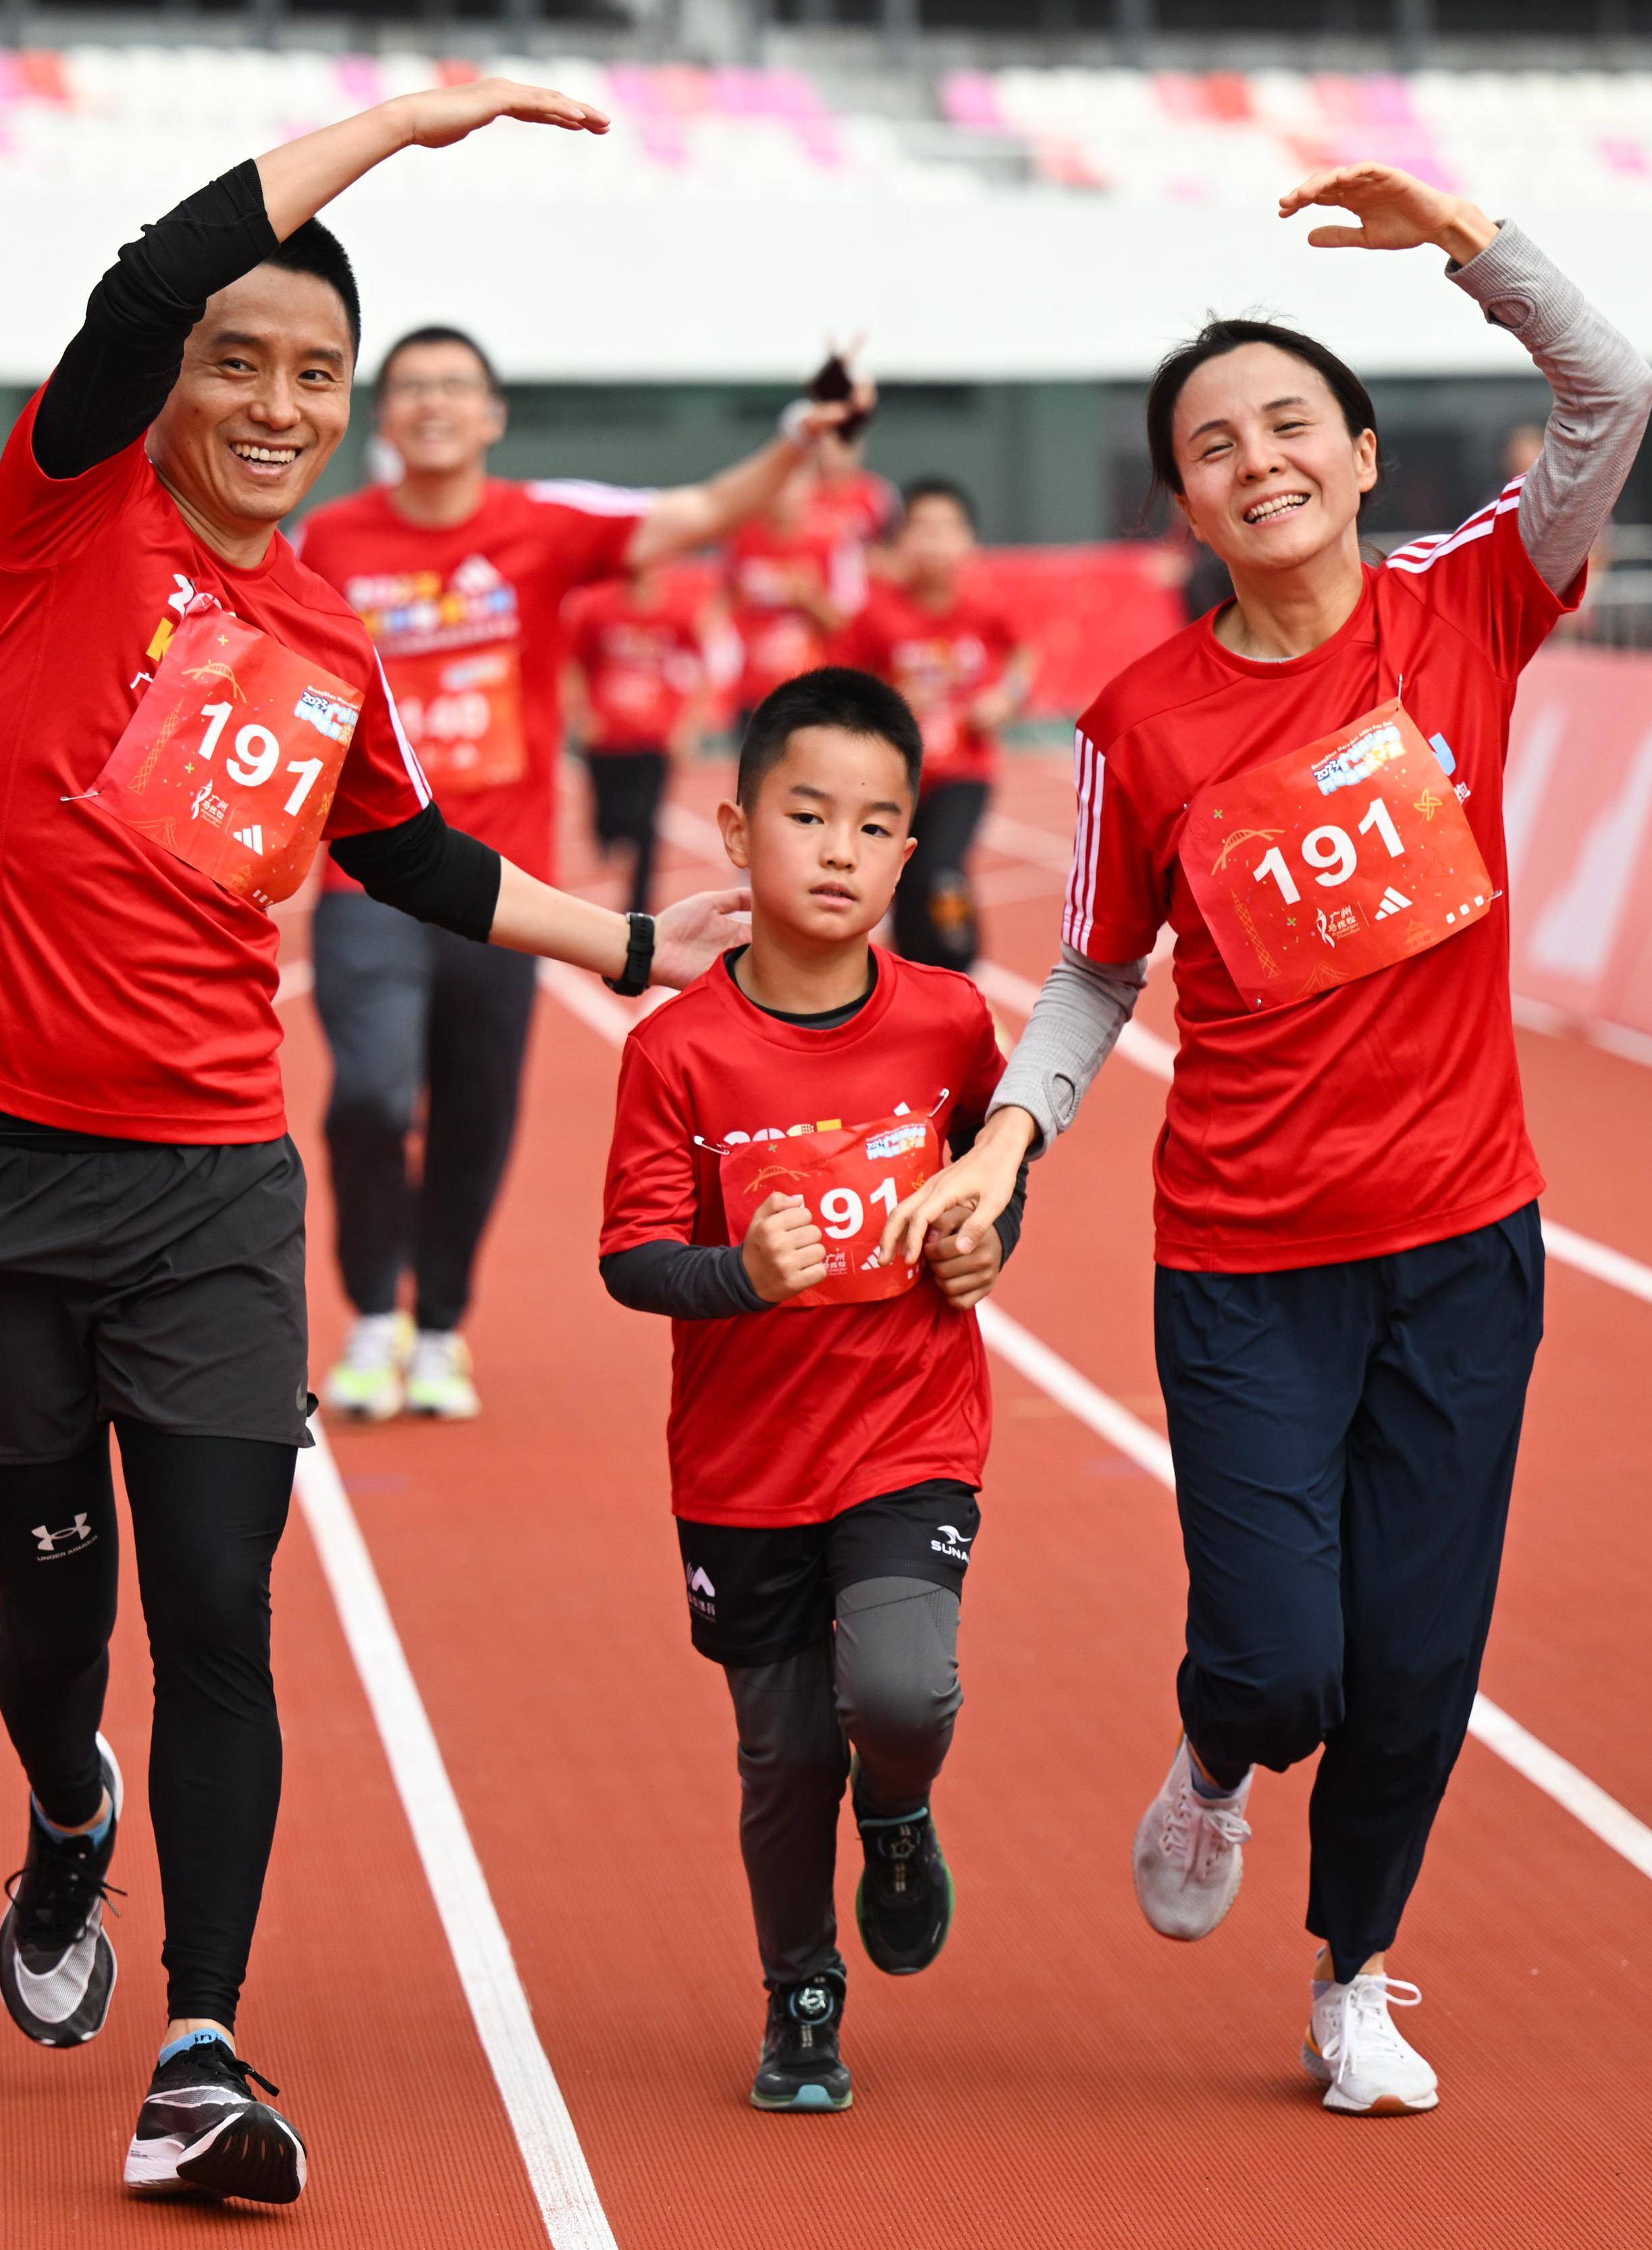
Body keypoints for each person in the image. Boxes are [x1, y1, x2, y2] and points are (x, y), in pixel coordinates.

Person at [0, 84, 745, 2206]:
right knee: (55, 1607)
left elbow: (409, 853)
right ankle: (68, 1815)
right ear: (168, 381)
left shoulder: (330, 636)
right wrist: (409, 125)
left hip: (210, 1188)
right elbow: (145, 274)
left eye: (312, 377)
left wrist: (627, 937)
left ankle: (198, 2040)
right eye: (236, 362)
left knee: (225, 1612)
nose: (275, 403)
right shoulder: (64, 513)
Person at [884, 161, 1652, 2118]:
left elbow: (1615, 392)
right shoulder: (1139, 721)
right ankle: (1218, 1759)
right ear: (1188, 504)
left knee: (1416, 1659)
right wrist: (1005, 1145)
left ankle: (1356, 1975)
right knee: (1280, 1661)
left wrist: (1477, 245)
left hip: (1467, 1243)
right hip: (1245, 1257)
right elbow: (1088, 977)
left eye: (1290, 423)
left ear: (1366, 451)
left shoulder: (1470, 608)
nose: (1258, 460)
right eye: (1214, 445)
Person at [294, 330, 859, 1425]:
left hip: (506, 890)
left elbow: (695, 515)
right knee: (368, 1093)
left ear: (493, 415)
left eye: (456, 385)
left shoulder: (539, 525)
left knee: (475, 1111)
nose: (433, 404)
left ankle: (441, 1325)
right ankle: (373, 1314)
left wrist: (797, 437)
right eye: (410, 387)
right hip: (368, 882)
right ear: (384, 416)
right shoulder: (331, 539)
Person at [599, 666, 1019, 2114]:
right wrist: (741, 1276)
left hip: (909, 1429)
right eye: (806, 814)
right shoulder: (674, 1051)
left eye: (874, 824)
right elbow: (630, 1259)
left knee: (901, 1686)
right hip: (740, 1465)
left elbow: (988, 1179)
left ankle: (896, 1813)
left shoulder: (954, 1022)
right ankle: (801, 1991)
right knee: (780, 1754)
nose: (839, 851)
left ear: (911, 851)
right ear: (734, 829)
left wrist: (983, 1242)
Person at [834, 479, 1033, 973]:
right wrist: (887, 701)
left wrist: (1003, 700)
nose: (935, 542)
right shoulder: (874, 615)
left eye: (948, 529)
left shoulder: (986, 608)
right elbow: (839, 689)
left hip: (965, 772)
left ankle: (964, 968)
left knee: (941, 872)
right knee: (899, 887)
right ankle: (916, 983)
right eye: (922, 529)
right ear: (900, 542)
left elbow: (1025, 658)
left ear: (970, 542)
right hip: (895, 780)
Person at [566, 560, 728, 917]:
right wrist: (582, 715)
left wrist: (688, 727)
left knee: (646, 826)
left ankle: (640, 910)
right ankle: (608, 833)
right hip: (607, 735)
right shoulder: (598, 608)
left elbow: (702, 670)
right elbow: (576, 661)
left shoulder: (679, 615)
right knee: (608, 821)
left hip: (654, 738)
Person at [724, 422, 894, 732]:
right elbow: (727, 604)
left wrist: (810, 597)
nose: (784, 491)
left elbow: (850, 621)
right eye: (775, 482)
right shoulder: (743, 539)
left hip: (813, 687)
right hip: (754, 686)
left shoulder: (834, 539)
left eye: (793, 480)